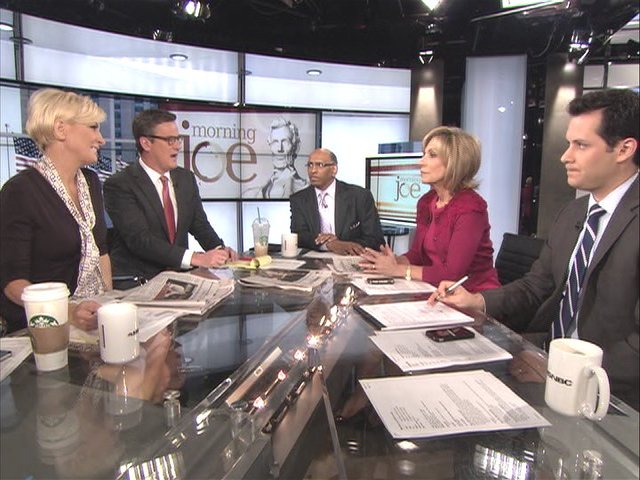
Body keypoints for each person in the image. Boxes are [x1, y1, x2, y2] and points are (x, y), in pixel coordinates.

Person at [430, 89, 639, 409]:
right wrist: (478, 300)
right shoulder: (573, 212)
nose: (565, 156)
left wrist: (563, 372)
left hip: (609, 388)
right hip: (543, 355)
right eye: (569, 144)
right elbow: (536, 286)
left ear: (624, 149)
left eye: (581, 145)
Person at [0, 88, 112, 333]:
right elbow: (12, 283)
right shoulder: (20, 191)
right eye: (93, 127)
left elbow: (101, 251)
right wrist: (68, 312)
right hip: (46, 326)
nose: (101, 139)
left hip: (94, 316)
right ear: (61, 129)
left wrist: (109, 306)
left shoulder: (91, 181)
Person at [360, 126, 500, 292]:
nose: (421, 162)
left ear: (455, 162)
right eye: (424, 154)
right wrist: (387, 262)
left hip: (471, 295)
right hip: (434, 290)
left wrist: (397, 270)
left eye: (432, 155)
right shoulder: (427, 202)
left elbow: (452, 274)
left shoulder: (470, 208)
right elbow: (417, 255)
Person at [103, 109, 237, 282]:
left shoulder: (186, 178)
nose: (178, 146)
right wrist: (195, 258)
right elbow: (140, 240)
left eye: (178, 139)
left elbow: (199, 225)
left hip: (179, 280)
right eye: (170, 140)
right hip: (139, 281)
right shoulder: (120, 184)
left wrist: (219, 250)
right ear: (146, 143)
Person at [290, 148, 385, 255]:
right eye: (310, 165)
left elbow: (376, 240)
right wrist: (329, 244)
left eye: (319, 165)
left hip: (351, 259)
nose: (313, 171)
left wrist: (342, 244)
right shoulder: (299, 199)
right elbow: (299, 236)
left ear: (334, 169)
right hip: (315, 259)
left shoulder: (360, 196)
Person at [243, 116, 308, 198]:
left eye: (285, 141)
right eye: (275, 142)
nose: (279, 149)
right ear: (269, 144)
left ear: (295, 146)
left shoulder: (304, 188)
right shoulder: (255, 193)